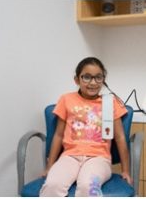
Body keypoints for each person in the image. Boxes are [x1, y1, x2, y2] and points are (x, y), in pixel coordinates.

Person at [39, 57, 132, 197]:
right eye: (87, 77)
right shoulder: (66, 99)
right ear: (77, 80)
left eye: (98, 77)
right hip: (69, 156)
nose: (93, 82)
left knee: (89, 186)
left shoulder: (110, 102)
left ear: (103, 79)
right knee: (52, 185)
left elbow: (120, 137)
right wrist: (49, 166)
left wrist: (125, 170)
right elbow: (58, 135)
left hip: (99, 158)